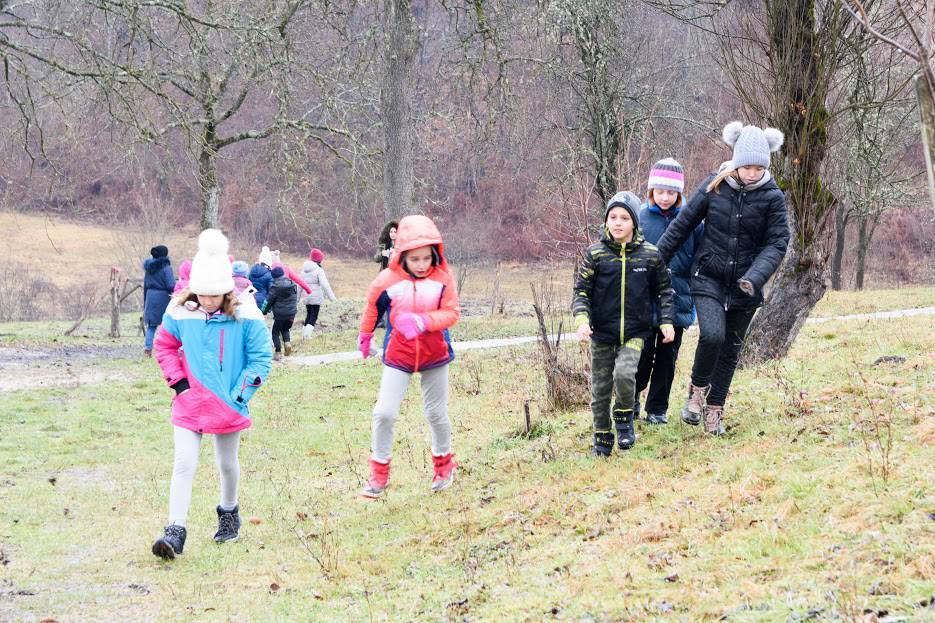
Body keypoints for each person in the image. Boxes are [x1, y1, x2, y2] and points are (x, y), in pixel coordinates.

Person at [656, 121, 790, 435]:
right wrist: (655, 259)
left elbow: (778, 242)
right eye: (747, 167)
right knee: (712, 335)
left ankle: (715, 411)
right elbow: (683, 224)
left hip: (746, 284)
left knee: (730, 349)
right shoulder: (715, 185)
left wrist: (755, 277)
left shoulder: (772, 197)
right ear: (737, 163)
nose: (752, 173)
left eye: (759, 168)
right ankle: (697, 391)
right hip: (708, 276)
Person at [151, 229, 272, 560]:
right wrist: (178, 384)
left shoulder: (246, 314)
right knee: (183, 463)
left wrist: (239, 395)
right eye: (201, 294)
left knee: (226, 463)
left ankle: (229, 513)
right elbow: (163, 344)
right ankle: (175, 531)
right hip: (188, 401)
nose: (206, 300)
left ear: (225, 291)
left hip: (226, 403)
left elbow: (261, 358)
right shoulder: (180, 311)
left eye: (213, 295)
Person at [357, 215, 460, 498]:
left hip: (434, 353)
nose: (422, 264)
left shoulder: (443, 278)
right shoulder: (387, 280)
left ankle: (444, 465)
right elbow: (371, 307)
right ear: (402, 255)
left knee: (436, 413)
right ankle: (379, 475)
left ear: (434, 253)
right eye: (415, 259)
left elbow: (452, 313)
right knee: (384, 412)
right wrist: (365, 336)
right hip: (399, 354)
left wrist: (423, 322)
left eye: (427, 257)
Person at [572, 191, 675, 456]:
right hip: (601, 333)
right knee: (601, 388)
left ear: (635, 223)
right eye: (613, 217)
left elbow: (664, 290)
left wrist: (666, 322)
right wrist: (582, 320)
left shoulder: (649, 255)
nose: (618, 223)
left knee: (625, 375)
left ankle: (624, 418)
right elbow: (581, 290)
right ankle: (602, 437)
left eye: (624, 218)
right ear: (606, 221)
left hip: (635, 332)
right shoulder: (595, 254)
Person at [634, 158, 704, 425]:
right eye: (660, 191)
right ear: (651, 191)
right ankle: (632, 401)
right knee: (640, 357)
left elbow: (700, 256)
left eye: (671, 192)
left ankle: (657, 410)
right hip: (644, 301)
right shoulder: (639, 217)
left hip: (679, 299)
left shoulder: (693, 221)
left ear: (680, 193)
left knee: (667, 360)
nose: (665, 197)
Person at [143, 245, 176, 357]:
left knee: (151, 326)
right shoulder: (166, 268)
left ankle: (148, 349)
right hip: (163, 298)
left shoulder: (148, 268)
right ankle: (163, 349)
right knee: (165, 324)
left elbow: (145, 285)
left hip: (150, 296)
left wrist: (145, 300)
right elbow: (171, 285)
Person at [299, 248, 336, 339]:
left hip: (306, 296)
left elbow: (299, 285)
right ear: (319, 260)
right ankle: (307, 336)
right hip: (316, 297)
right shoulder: (319, 270)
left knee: (308, 314)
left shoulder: (303, 270)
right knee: (313, 316)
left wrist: (296, 298)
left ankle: (304, 334)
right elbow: (325, 285)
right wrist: (332, 298)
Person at [263, 266, 298, 360]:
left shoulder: (275, 287)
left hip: (279, 314)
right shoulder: (292, 284)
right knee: (285, 329)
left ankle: (278, 352)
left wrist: (264, 311)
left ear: (273, 276)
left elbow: (268, 301)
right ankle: (287, 343)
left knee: (275, 332)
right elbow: (295, 299)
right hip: (292, 313)